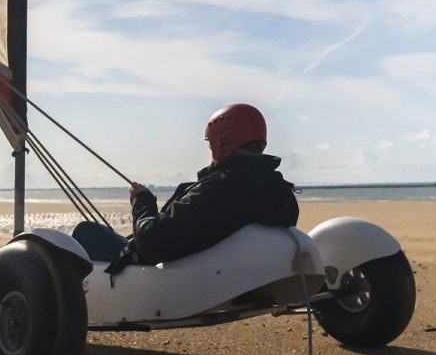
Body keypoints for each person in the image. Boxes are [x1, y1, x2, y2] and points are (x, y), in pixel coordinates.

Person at [72, 103, 299, 274]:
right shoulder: (277, 191)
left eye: (210, 146)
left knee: (85, 231)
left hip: (156, 267)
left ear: (222, 144)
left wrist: (142, 202)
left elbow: (151, 242)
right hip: (218, 263)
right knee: (113, 234)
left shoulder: (219, 189)